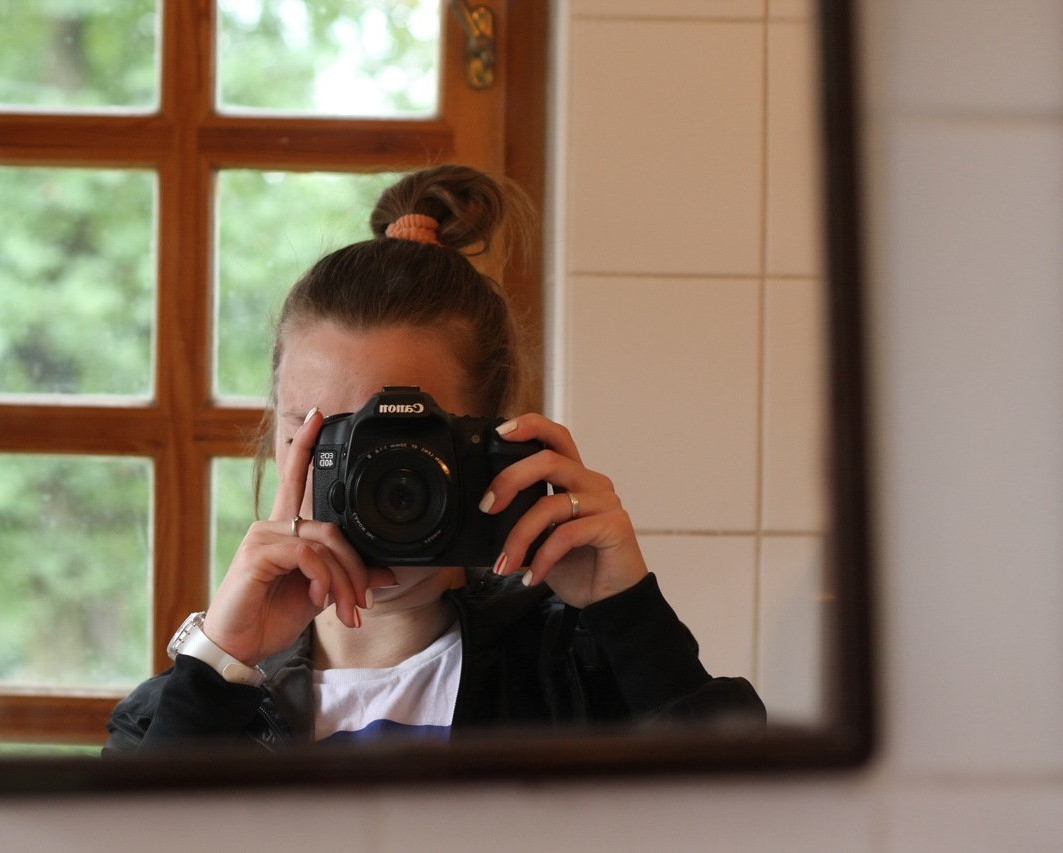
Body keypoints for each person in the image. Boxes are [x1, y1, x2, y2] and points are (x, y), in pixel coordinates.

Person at [104, 165, 764, 751]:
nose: (371, 476)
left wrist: (630, 617)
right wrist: (217, 671)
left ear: (490, 440)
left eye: (405, 440)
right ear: (279, 435)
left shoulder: (577, 672)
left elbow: (756, 821)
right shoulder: (182, 713)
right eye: (324, 433)